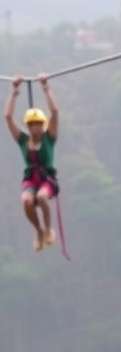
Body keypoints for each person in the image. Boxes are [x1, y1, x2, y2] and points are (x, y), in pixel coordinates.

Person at [3, 74, 60, 252]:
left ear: (42, 125)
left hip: (46, 180)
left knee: (42, 197)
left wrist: (45, 87)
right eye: (31, 124)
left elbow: (55, 112)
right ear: (28, 126)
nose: (34, 127)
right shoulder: (23, 140)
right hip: (30, 180)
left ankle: (49, 229)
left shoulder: (49, 138)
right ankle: (39, 231)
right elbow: (7, 117)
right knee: (26, 201)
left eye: (37, 124)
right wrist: (14, 92)